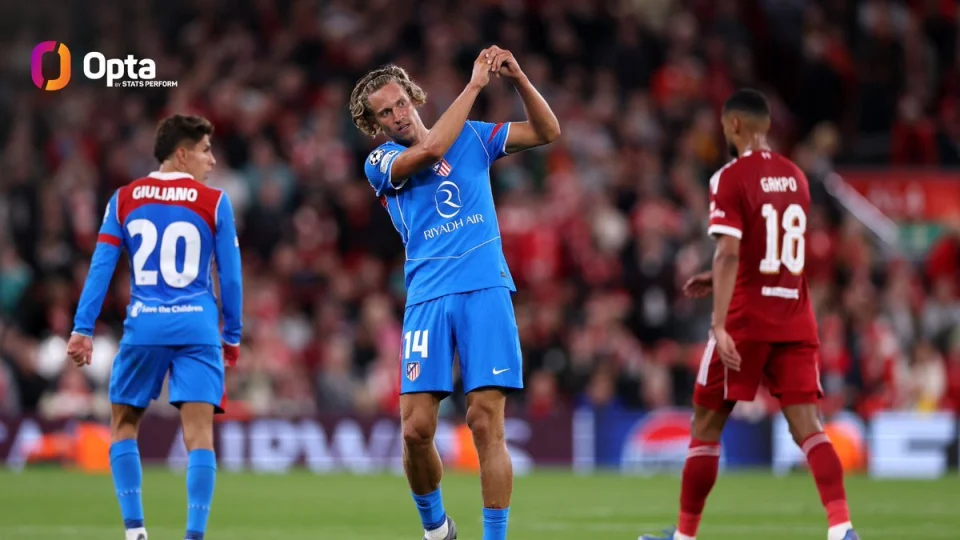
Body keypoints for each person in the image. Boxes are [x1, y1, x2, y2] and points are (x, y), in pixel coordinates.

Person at [348, 46, 560, 540]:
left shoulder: (475, 137)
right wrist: (475, 84)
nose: (398, 116)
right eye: (385, 113)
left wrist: (518, 78)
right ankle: (437, 530)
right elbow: (430, 152)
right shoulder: (382, 161)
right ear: (375, 125)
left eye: (401, 103)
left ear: (413, 98)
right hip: (427, 299)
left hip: (485, 290)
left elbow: (548, 131)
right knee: (415, 430)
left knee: (486, 423)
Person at [640, 89, 859, 540]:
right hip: (795, 315)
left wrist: (719, 322)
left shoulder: (729, 177)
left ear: (735, 125)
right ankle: (842, 529)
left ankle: (684, 536)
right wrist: (716, 276)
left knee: (705, 426)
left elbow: (729, 253)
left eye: (724, 126)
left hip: (745, 319)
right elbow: (771, 248)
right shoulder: (797, 177)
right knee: (809, 427)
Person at [66, 114, 243, 540]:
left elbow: (101, 267)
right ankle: (194, 535)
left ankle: (135, 531)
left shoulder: (123, 199)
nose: (212, 160)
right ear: (181, 154)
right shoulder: (214, 201)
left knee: (124, 425)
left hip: (144, 326)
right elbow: (231, 277)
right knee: (199, 435)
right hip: (198, 328)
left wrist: (82, 328)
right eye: (205, 151)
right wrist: (232, 335)